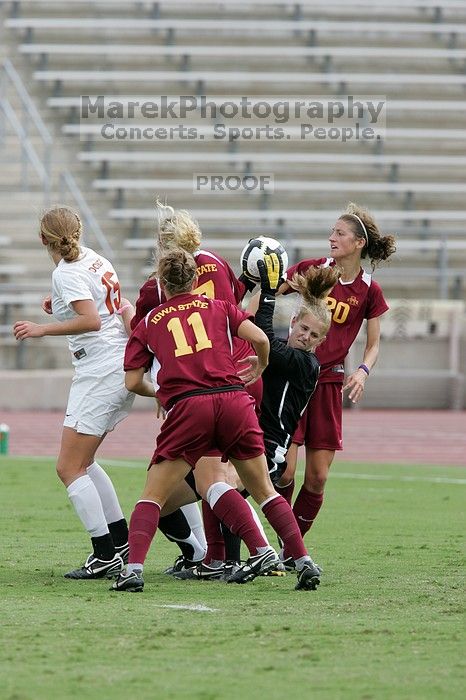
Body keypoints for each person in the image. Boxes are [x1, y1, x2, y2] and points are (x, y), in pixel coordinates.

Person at [111, 248, 322, 593]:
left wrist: (159, 391)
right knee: (265, 491)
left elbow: (132, 381)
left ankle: (132, 570)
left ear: (162, 284)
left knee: (153, 496)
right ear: (196, 280)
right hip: (233, 401)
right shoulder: (221, 307)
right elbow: (259, 337)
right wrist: (261, 364)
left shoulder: (151, 321)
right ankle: (302, 562)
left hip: (189, 407)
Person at [179, 253, 340, 580]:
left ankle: (251, 559)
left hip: (271, 447)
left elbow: (262, 331)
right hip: (249, 436)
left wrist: (267, 290)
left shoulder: (305, 364)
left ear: (322, 341)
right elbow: (255, 334)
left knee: (225, 489)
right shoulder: (281, 352)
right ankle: (229, 560)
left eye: (314, 335)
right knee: (213, 482)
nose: (306, 337)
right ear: (294, 323)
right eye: (304, 328)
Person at [131, 202, 261, 576]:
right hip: (241, 374)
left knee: (202, 482)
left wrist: (161, 387)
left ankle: (240, 555)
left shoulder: (156, 286)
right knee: (224, 477)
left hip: (198, 388)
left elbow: (146, 335)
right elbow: (235, 307)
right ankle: (221, 556)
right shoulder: (217, 263)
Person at [13, 206, 135, 579]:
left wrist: (41, 328)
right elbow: (101, 306)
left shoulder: (65, 272)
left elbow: (91, 319)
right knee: (86, 462)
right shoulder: (95, 258)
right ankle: (120, 541)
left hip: (99, 371)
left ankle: (104, 554)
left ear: (42, 240)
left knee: (68, 467)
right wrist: (61, 307)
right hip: (116, 362)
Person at [273, 202, 396, 565]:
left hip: (329, 383)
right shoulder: (315, 270)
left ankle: (285, 552)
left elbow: (373, 344)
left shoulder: (369, 290)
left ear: (358, 243)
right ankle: (271, 542)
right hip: (295, 377)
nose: (331, 238)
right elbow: (272, 289)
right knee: (283, 471)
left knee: (317, 479)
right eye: (331, 233)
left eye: (339, 234)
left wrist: (362, 371)